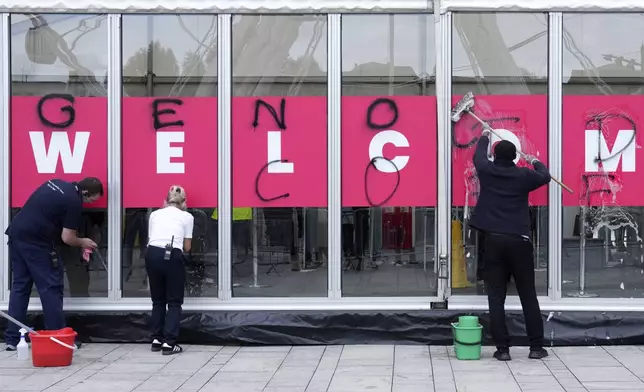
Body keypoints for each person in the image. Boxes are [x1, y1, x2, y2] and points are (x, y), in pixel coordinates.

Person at [469, 130, 551, 361]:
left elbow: (478, 157)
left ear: (495, 156)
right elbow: (544, 176)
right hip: (519, 242)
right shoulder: (524, 175)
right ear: (515, 158)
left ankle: (502, 350)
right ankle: (536, 347)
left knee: (496, 297)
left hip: (494, 241)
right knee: (528, 295)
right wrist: (534, 160)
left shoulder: (487, 171)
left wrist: (485, 136)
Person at [4, 178, 103, 351]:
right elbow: (67, 238)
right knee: (51, 287)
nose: (90, 204)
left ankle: (13, 338)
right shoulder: (74, 201)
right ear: (85, 192)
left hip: (17, 234)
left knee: (20, 286)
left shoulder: (55, 183)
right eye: (92, 199)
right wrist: (83, 242)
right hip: (37, 243)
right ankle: (58, 337)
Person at [146, 185, 193, 355]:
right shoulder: (187, 217)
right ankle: (170, 343)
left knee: (158, 300)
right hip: (172, 254)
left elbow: (151, 238)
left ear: (165, 200)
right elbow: (187, 247)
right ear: (184, 202)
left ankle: (156, 339)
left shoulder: (154, 214)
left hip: (152, 254)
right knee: (174, 301)